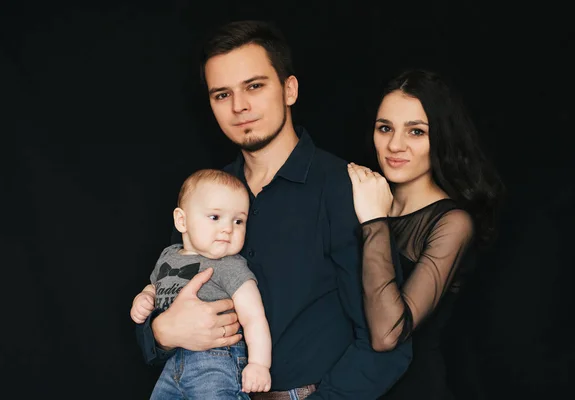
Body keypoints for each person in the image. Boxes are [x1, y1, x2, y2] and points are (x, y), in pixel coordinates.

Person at [134, 20, 412, 400]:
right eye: (221, 95)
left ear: (289, 89)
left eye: (254, 86)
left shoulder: (343, 188)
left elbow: (386, 342)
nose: (239, 106)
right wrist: (161, 334)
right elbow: (165, 294)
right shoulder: (205, 193)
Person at [347, 69, 505, 399]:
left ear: (441, 139)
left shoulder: (452, 223)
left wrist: (374, 222)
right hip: (349, 388)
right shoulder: (361, 196)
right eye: (385, 128)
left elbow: (387, 334)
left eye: (416, 131)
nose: (394, 144)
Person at [131, 169, 271, 399]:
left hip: (215, 364)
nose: (228, 228)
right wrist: (144, 298)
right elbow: (154, 287)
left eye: (238, 221)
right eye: (215, 217)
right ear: (182, 221)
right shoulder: (169, 255)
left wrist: (259, 364)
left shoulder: (231, 266)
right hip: (172, 363)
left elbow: (254, 318)